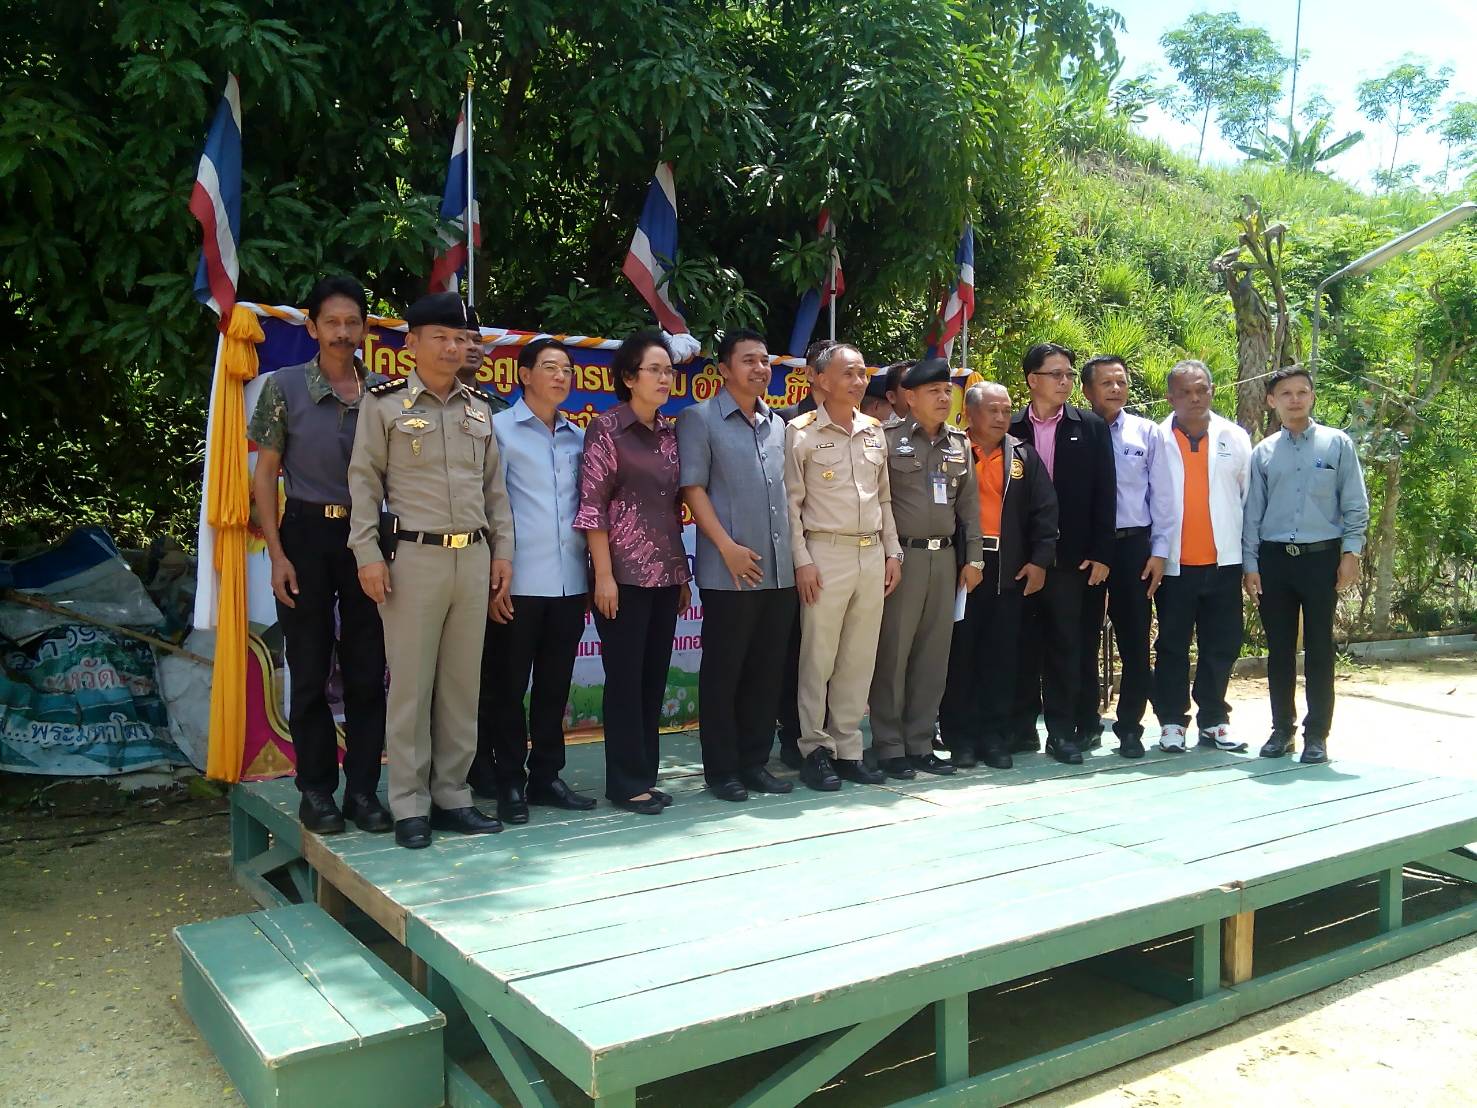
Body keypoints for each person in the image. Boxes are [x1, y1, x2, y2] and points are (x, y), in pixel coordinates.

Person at [348, 291, 514, 849]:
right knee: (412, 688)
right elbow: (363, 484)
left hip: (473, 557)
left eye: (459, 338)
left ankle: (452, 795)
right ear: (412, 343)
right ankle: (409, 804)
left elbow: (495, 492)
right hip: (412, 559)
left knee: (462, 687)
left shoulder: (479, 408)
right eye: (439, 337)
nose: (451, 347)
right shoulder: (384, 405)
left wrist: (503, 553)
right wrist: (367, 554)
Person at [247, 275, 391, 835]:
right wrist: (277, 554)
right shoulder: (284, 387)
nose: (342, 332)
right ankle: (316, 791)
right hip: (305, 534)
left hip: (367, 538)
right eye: (331, 322)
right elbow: (265, 476)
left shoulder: (383, 393)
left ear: (365, 329)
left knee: (366, 669)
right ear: (311, 327)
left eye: (352, 322)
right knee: (308, 668)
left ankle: (363, 791)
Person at [467, 337, 597, 823]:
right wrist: (489, 578)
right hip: (514, 583)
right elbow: (484, 504)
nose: (561, 377)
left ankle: (546, 775)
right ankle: (507, 781)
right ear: (524, 375)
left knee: (554, 686)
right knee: (506, 687)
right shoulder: (497, 429)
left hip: (568, 583)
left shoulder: (577, 436)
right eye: (550, 368)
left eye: (567, 369)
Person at [574, 330, 692, 815]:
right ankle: (624, 783)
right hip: (621, 576)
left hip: (666, 573)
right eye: (654, 370)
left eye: (669, 371)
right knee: (624, 679)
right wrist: (603, 576)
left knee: (653, 678)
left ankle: (644, 775)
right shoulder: (607, 429)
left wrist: (682, 576)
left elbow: (673, 509)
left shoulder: (670, 433)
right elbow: (592, 507)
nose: (665, 379)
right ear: (628, 377)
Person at [678, 328, 796, 801]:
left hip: (779, 570)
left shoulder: (778, 425)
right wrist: (726, 546)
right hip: (728, 570)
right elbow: (693, 488)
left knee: (766, 672)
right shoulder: (699, 418)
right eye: (748, 360)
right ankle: (722, 770)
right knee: (724, 673)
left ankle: (755, 762)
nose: (759, 368)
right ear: (724, 369)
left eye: (764, 360)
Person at [785, 343, 903, 791]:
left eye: (861, 373)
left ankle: (848, 747)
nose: (858, 382)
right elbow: (791, 505)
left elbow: (884, 498)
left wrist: (893, 552)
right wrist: (802, 560)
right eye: (848, 373)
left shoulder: (874, 430)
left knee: (858, 655)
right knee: (818, 656)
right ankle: (815, 749)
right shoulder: (800, 432)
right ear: (820, 380)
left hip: (871, 553)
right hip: (825, 553)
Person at [1243, 366, 1369, 764]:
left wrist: (1351, 553)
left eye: (1302, 392)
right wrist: (1250, 564)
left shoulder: (1337, 444)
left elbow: (1355, 503)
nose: (1295, 399)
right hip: (1275, 561)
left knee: (1319, 648)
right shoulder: (1263, 453)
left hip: (1321, 560)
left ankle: (1317, 735)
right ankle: (1282, 730)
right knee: (1279, 649)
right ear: (1272, 401)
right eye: (1286, 393)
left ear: (1312, 396)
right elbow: (1253, 514)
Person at [869, 358, 981, 779]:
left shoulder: (959, 443)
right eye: (933, 391)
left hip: (946, 558)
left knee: (934, 656)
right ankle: (889, 745)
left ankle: (919, 743)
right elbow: (877, 502)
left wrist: (974, 558)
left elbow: (969, 507)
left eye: (947, 390)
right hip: (903, 558)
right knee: (893, 653)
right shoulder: (886, 439)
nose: (943, 397)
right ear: (910, 397)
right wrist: (889, 553)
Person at [939, 383, 1058, 770]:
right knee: (961, 654)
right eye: (992, 410)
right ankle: (960, 738)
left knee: (1002, 655)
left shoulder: (1023, 454)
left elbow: (1045, 511)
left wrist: (1040, 560)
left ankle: (994, 737)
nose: (1001, 417)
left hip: (1009, 568)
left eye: (1006, 410)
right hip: (960, 567)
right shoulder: (951, 450)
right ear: (970, 413)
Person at [1008, 343, 1116, 765]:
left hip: (1072, 559)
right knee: (1021, 644)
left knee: (1066, 646)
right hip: (1020, 558)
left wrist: (1102, 552)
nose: (1065, 381)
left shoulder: (1089, 426)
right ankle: (1020, 729)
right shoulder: (1011, 426)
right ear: (1032, 379)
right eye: (1056, 374)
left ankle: (1062, 731)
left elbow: (1105, 494)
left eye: (1069, 374)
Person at [1151, 360, 1253, 754]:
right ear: (1170, 397)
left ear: (1212, 391)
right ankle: (1172, 722)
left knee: (1221, 644)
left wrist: (1249, 561)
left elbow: (1248, 499)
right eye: (1185, 392)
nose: (1195, 398)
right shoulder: (1156, 439)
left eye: (1202, 390)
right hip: (1173, 566)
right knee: (1172, 646)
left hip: (1223, 563)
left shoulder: (1235, 437)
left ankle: (1214, 719)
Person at [1078, 355, 1175, 759]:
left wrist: (1159, 551)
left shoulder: (1146, 432)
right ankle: (1085, 724)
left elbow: (1163, 496)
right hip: (1085, 550)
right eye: (1106, 383)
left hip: (1133, 546)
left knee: (1135, 640)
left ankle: (1130, 727)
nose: (1116, 389)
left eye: (1121, 381)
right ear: (1087, 390)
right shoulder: (1075, 430)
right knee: (1081, 638)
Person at [775, 338, 834, 769]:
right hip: (798, 557)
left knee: (832, 654)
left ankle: (828, 737)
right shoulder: (786, 424)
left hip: (845, 558)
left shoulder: (861, 426)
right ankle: (791, 734)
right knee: (794, 649)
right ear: (811, 374)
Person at [455, 306, 510, 413]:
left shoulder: (499, 406)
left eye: (477, 341)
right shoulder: (426, 400)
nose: (472, 346)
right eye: (462, 339)